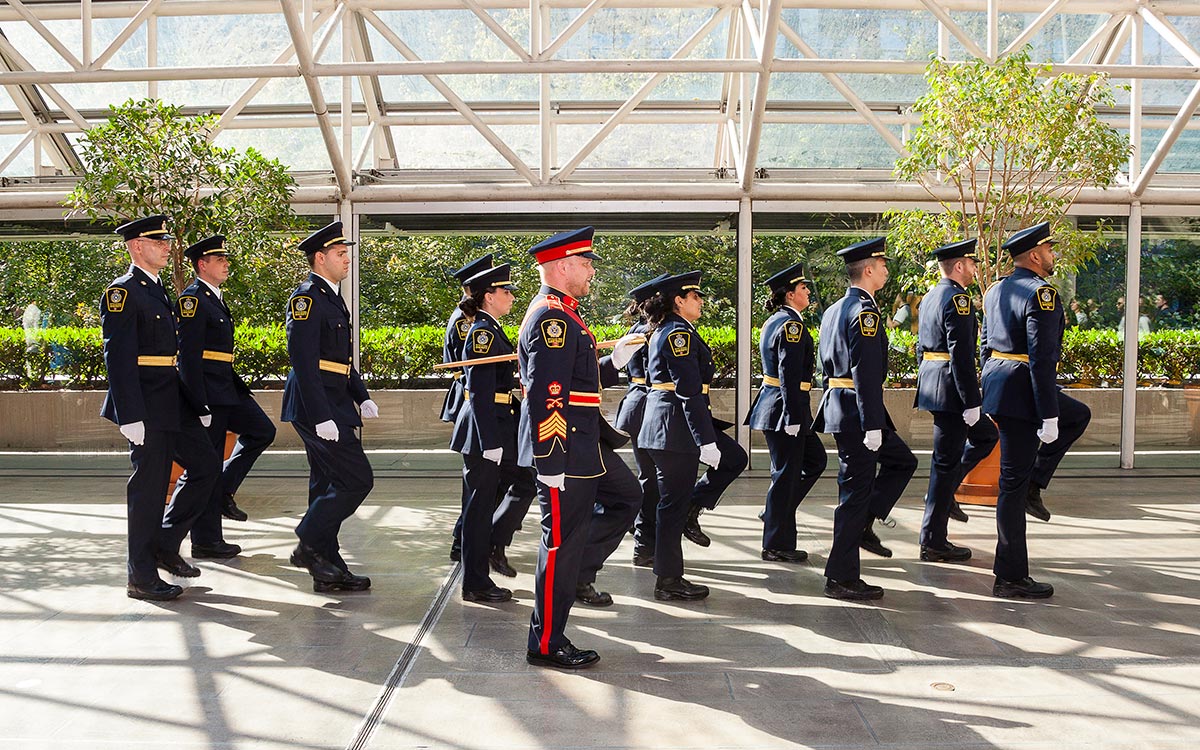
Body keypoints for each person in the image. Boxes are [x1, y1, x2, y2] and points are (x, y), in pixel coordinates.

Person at [101, 215, 220, 601]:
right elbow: (117, 357)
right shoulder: (123, 292)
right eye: (158, 242)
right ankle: (140, 575)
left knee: (205, 465)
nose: (168, 247)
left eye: (167, 241)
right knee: (149, 490)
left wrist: (194, 402)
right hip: (147, 407)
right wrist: (129, 414)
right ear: (137, 247)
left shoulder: (156, 289)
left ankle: (166, 543)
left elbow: (172, 355)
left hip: (172, 399)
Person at [981, 221, 1091, 598]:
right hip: (1023, 392)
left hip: (1002, 385)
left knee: (1078, 414)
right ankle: (1010, 576)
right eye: (1049, 250)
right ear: (1033, 255)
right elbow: (1042, 358)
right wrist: (1047, 413)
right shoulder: (1042, 294)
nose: (1053, 255)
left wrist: (988, 383)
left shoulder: (996, 290)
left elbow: (984, 344)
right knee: (1010, 485)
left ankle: (1034, 482)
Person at [516, 227, 608, 669]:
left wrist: (613, 362)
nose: (591, 270)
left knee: (582, 532)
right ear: (563, 265)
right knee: (560, 546)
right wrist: (549, 458)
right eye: (586, 262)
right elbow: (548, 393)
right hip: (565, 450)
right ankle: (547, 642)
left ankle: (559, 616)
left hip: (582, 446)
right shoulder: (551, 318)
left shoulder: (564, 315)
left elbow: (576, 382)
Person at [814, 237, 917, 601]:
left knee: (902, 462)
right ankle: (841, 576)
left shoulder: (833, 310)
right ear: (869, 270)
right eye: (883, 264)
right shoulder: (865, 313)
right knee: (853, 494)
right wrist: (872, 423)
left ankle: (865, 523)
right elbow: (865, 370)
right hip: (858, 411)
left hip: (843, 405)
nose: (887, 270)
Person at [281, 221, 380, 593]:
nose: (347, 259)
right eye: (341, 254)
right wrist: (321, 415)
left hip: (335, 398)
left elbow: (341, 360)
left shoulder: (332, 296)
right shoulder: (306, 298)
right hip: (315, 405)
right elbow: (304, 361)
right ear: (320, 258)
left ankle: (325, 562)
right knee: (357, 479)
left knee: (325, 484)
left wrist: (362, 394)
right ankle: (307, 541)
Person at [639, 271, 748, 601]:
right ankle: (669, 580)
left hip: (673, 425)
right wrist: (705, 439)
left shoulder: (677, 330)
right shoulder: (676, 334)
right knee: (671, 506)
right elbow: (687, 391)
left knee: (733, 460)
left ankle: (693, 509)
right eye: (695, 296)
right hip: (675, 429)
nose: (700, 301)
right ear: (678, 301)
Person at [176, 235, 277, 560]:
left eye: (225, 259)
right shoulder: (192, 299)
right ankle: (205, 540)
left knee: (263, 431)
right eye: (219, 260)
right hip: (208, 392)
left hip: (226, 387)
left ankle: (223, 490)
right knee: (207, 463)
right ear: (202, 265)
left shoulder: (213, 297)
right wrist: (198, 403)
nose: (226, 264)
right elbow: (188, 357)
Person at [914, 238, 998, 563]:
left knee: (982, 438)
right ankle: (933, 541)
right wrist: (971, 401)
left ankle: (944, 492)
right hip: (951, 389)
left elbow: (922, 348)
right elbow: (961, 355)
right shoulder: (958, 299)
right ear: (960, 266)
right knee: (945, 462)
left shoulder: (931, 296)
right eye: (972, 263)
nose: (975, 269)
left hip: (933, 384)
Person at [745, 262, 827, 563]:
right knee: (785, 476)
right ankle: (776, 544)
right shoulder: (791, 325)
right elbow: (789, 373)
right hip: (785, 408)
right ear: (790, 294)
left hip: (783, 406)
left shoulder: (778, 320)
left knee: (814, 461)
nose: (808, 292)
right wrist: (793, 416)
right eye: (803, 288)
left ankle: (774, 511)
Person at [450, 263, 521, 603]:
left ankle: (490, 552)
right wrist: (490, 441)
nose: (510, 297)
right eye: (505, 291)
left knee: (517, 483)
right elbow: (478, 390)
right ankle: (476, 583)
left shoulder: (492, 329)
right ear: (489, 296)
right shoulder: (483, 333)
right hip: (485, 430)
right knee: (478, 510)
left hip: (496, 423)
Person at [613, 273, 671, 568]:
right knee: (652, 481)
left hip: (639, 402)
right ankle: (645, 544)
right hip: (646, 404)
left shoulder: (644, 328)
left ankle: (647, 540)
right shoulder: (648, 331)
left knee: (653, 479)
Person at [441, 253, 494, 562]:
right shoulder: (466, 321)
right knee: (477, 479)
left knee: (480, 478)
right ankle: (464, 538)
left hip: (471, 396)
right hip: (471, 397)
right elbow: (469, 367)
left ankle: (468, 535)